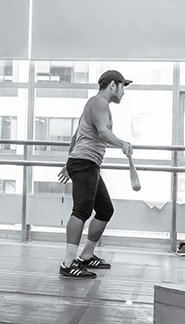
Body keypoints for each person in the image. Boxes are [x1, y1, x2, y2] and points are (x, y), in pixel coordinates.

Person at [57, 70, 133, 279]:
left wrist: (68, 162)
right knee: (81, 210)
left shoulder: (97, 104)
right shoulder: (100, 102)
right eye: (122, 86)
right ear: (112, 85)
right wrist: (122, 143)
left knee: (105, 209)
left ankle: (87, 255)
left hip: (85, 163)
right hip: (85, 163)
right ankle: (68, 262)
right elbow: (102, 132)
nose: (123, 92)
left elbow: (77, 135)